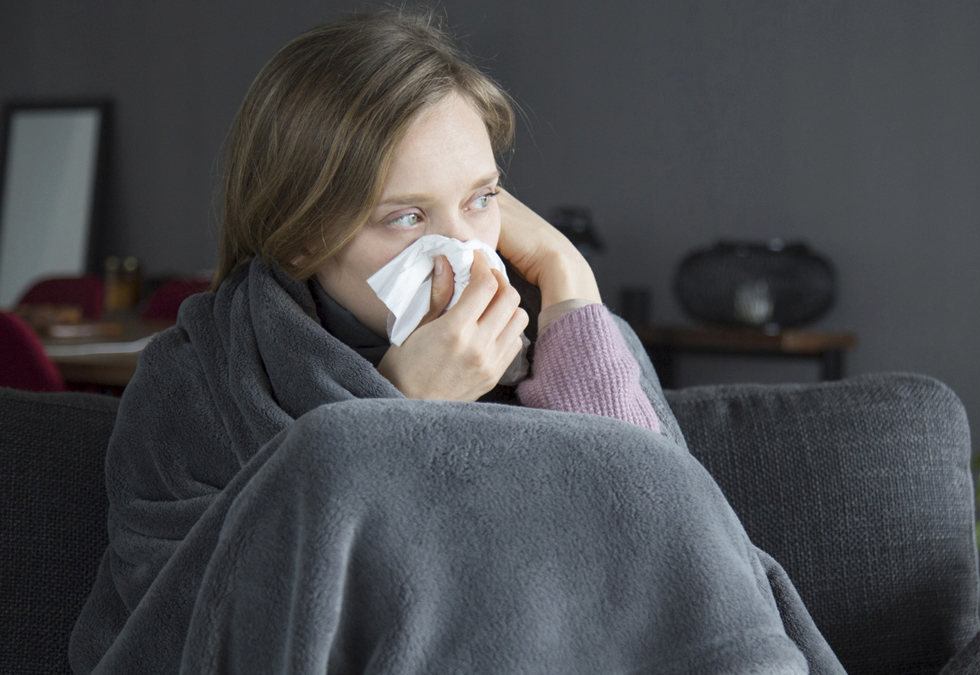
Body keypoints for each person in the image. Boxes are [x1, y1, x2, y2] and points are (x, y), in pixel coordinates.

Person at [70, 9, 827, 675]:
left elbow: (669, 551)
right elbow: (182, 625)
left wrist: (568, 277)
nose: (464, 250)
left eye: (481, 199)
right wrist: (398, 407)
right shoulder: (200, 376)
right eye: (406, 217)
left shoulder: (563, 334)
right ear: (300, 239)